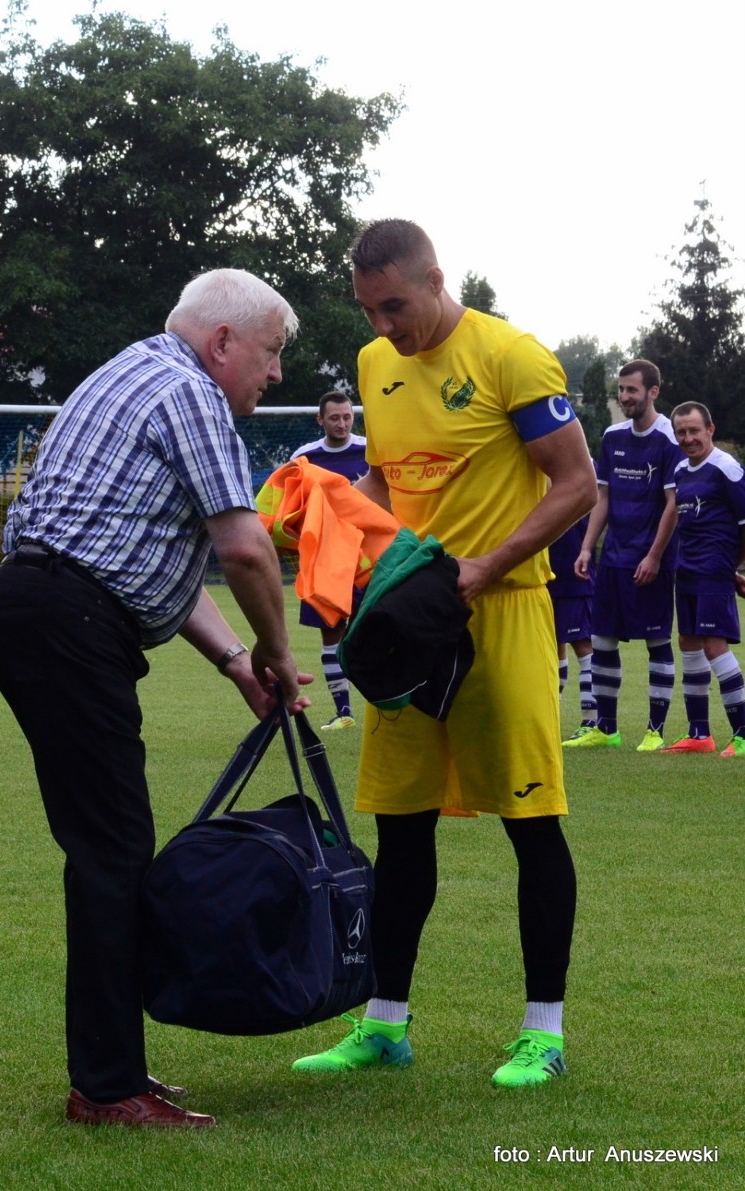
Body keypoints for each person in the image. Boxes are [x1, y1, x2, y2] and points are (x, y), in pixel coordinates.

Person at [0, 269, 312, 1128]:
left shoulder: (131, 372)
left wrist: (237, 660)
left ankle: (116, 1070)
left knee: (110, 846)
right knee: (111, 850)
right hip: (68, 617)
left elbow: (151, 556)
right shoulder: (191, 392)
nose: (276, 376)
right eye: (271, 354)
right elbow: (244, 551)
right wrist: (278, 654)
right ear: (222, 342)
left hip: (42, 603)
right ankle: (107, 1084)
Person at [292, 219, 597, 1087]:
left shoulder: (513, 356)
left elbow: (577, 483)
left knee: (532, 824)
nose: (384, 325)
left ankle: (544, 1031)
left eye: (394, 305)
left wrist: (485, 563)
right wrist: (333, 522)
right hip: (405, 626)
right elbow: (387, 480)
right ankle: (385, 1022)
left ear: (434, 278)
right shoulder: (372, 363)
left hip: (500, 611)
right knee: (400, 825)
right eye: (369, 309)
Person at [566, 360, 681, 751]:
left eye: (632, 390)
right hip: (613, 558)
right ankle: (606, 728)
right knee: (602, 639)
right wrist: (587, 547)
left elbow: (672, 504)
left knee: (657, 641)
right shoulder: (613, 436)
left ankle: (655, 730)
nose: (625, 397)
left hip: (652, 561)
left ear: (653, 392)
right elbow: (603, 496)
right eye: (622, 390)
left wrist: (653, 556)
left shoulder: (670, 439)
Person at [659, 402, 745, 755]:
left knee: (714, 645)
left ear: (710, 429)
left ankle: (742, 733)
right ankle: (699, 734)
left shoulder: (727, 468)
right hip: (688, 569)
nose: (688, 438)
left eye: (695, 430)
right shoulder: (680, 470)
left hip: (715, 568)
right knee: (688, 642)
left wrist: (737, 568)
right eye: (681, 432)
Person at [290, 391, 368, 729]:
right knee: (331, 634)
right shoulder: (304, 458)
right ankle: (344, 712)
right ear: (320, 420)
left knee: (374, 633)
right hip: (324, 561)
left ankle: (384, 708)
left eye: (347, 417)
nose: (342, 423)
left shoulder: (370, 451)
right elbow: (290, 506)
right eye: (334, 418)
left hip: (368, 558)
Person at [548, 514, 597, 734]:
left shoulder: (579, 480)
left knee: (582, 642)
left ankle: (591, 720)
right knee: (552, 642)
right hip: (544, 571)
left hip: (574, 571)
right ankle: (551, 715)